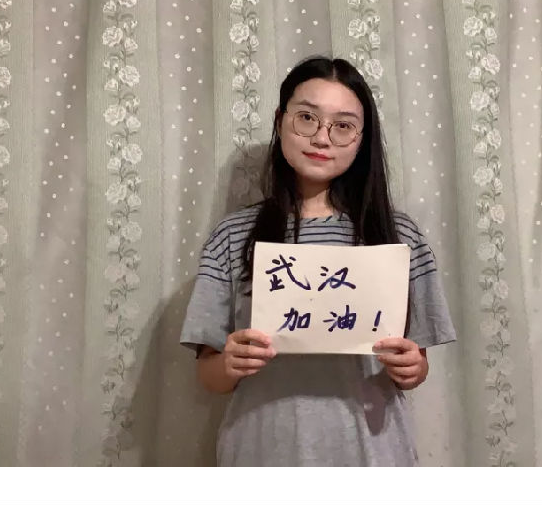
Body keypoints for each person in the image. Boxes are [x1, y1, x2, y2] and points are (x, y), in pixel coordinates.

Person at [179, 56, 456, 466]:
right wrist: (230, 363)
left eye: (343, 126)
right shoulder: (233, 235)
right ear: (280, 121)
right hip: (263, 454)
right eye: (307, 118)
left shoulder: (398, 235)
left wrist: (411, 368)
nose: (322, 138)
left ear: (362, 139)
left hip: (374, 456)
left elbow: (417, 368)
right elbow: (209, 375)